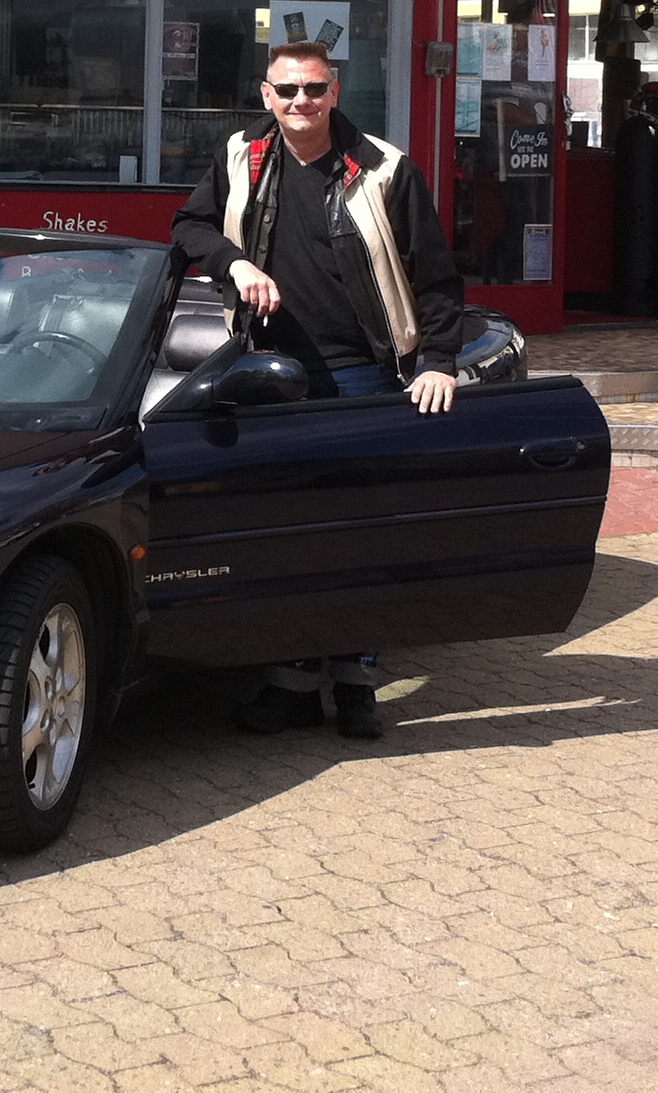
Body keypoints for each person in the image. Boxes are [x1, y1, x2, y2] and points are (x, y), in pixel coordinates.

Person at [170, 39, 469, 742]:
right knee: (287, 534)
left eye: (313, 90)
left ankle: (358, 682)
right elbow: (188, 226)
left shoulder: (386, 170)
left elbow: (436, 280)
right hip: (268, 371)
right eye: (286, 91)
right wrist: (235, 263)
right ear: (266, 97)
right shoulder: (243, 157)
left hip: (364, 371)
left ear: (334, 92)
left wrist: (437, 361)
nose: (300, 102)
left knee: (358, 530)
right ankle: (293, 683)